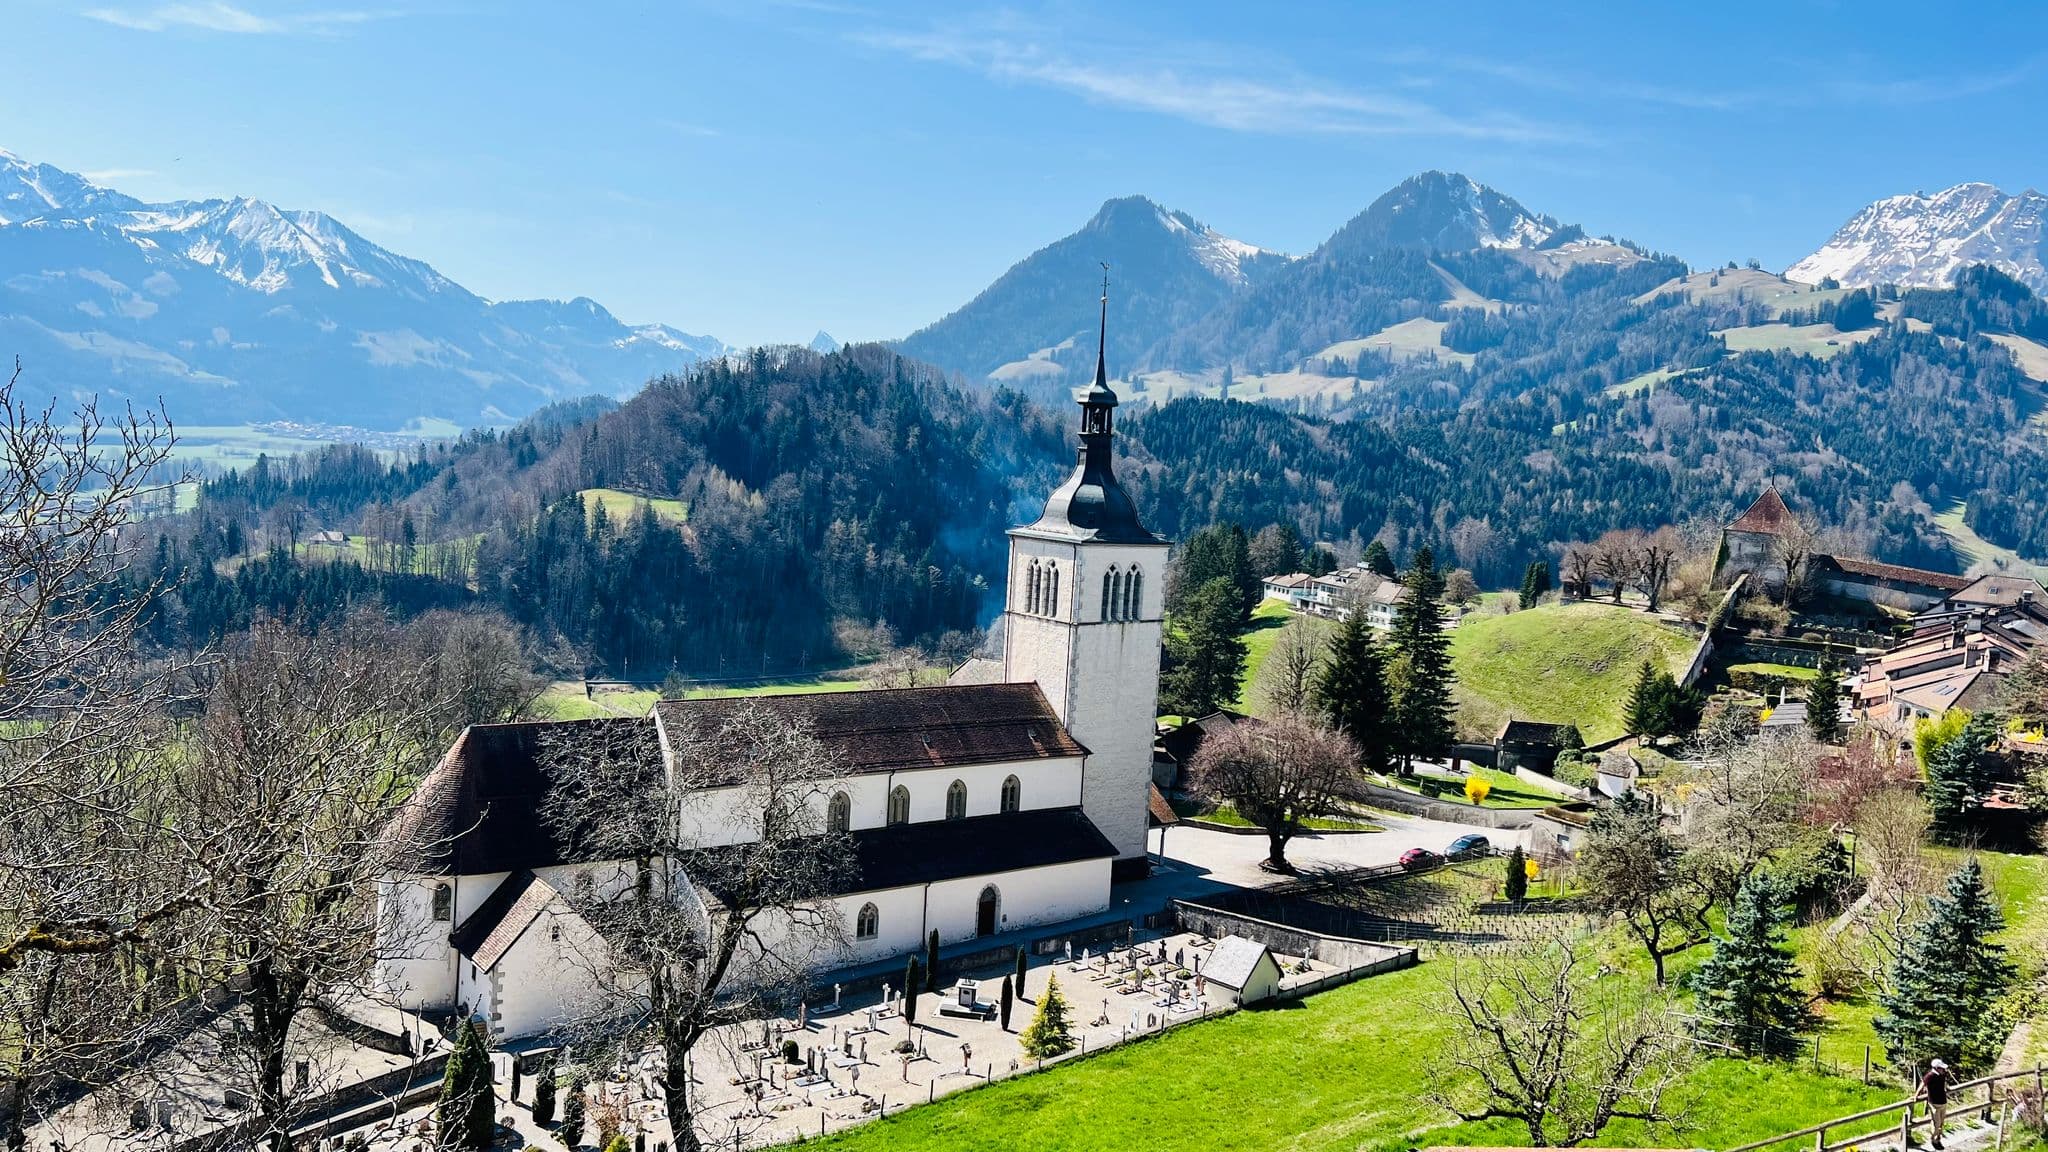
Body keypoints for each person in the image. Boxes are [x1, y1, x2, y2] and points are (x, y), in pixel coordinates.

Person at [1920, 1059, 1951, 1149]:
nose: (1943, 1070)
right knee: (1936, 1124)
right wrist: (1916, 1095)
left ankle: (1938, 1139)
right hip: (1934, 1103)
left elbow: (1943, 1084)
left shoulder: (1942, 1075)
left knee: (1941, 1123)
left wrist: (1947, 1088)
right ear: (1937, 1068)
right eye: (1941, 1068)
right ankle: (1933, 1140)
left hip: (1943, 1102)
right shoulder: (1930, 1076)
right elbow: (1922, 1084)